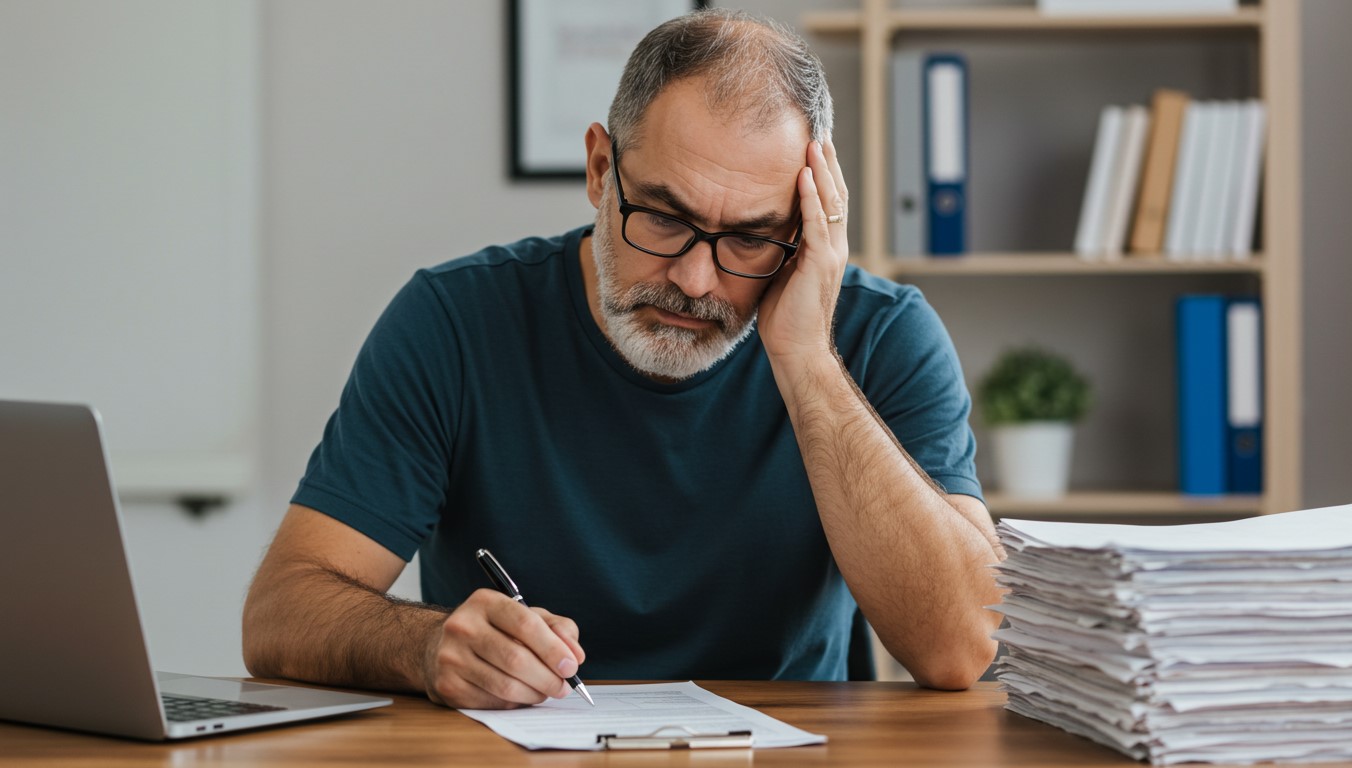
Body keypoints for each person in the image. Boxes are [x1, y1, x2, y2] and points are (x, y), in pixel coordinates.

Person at [243, 8, 1003, 711]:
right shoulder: (453, 321)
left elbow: (962, 649)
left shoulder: (881, 335)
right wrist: (423, 644)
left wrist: (807, 361)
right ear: (601, 169)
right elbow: (280, 613)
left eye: (750, 238)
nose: (695, 280)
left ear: (806, 229)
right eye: (665, 218)